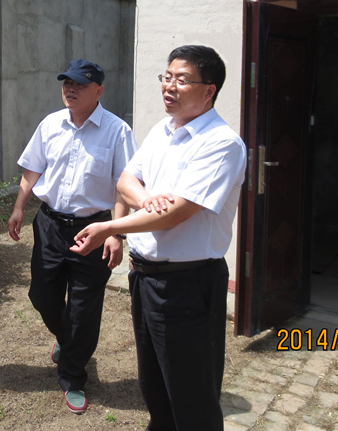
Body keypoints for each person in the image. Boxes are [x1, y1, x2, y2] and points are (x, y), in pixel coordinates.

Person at [72, 46, 246, 431]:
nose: (169, 86)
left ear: (209, 90)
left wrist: (110, 228)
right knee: (154, 385)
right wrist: (148, 200)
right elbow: (125, 180)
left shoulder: (221, 143)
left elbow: (177, 213)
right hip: (146, 279)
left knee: (191, 394)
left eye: (181, 80)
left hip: (188, 283)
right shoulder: (161, 132)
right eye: (166, 77)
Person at [7, 59, 136, 414]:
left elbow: (123, 186)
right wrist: (18, 207)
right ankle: (67, 340)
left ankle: (73, 376)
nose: (71, 89)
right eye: (67, 83)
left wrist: (116, 232)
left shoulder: (117, 131)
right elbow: (32, 169)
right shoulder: (50, 124)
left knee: (83, 308)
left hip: (93, 230)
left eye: (80, 84)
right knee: (41, 294)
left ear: (99, 91)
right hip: (49, 225)